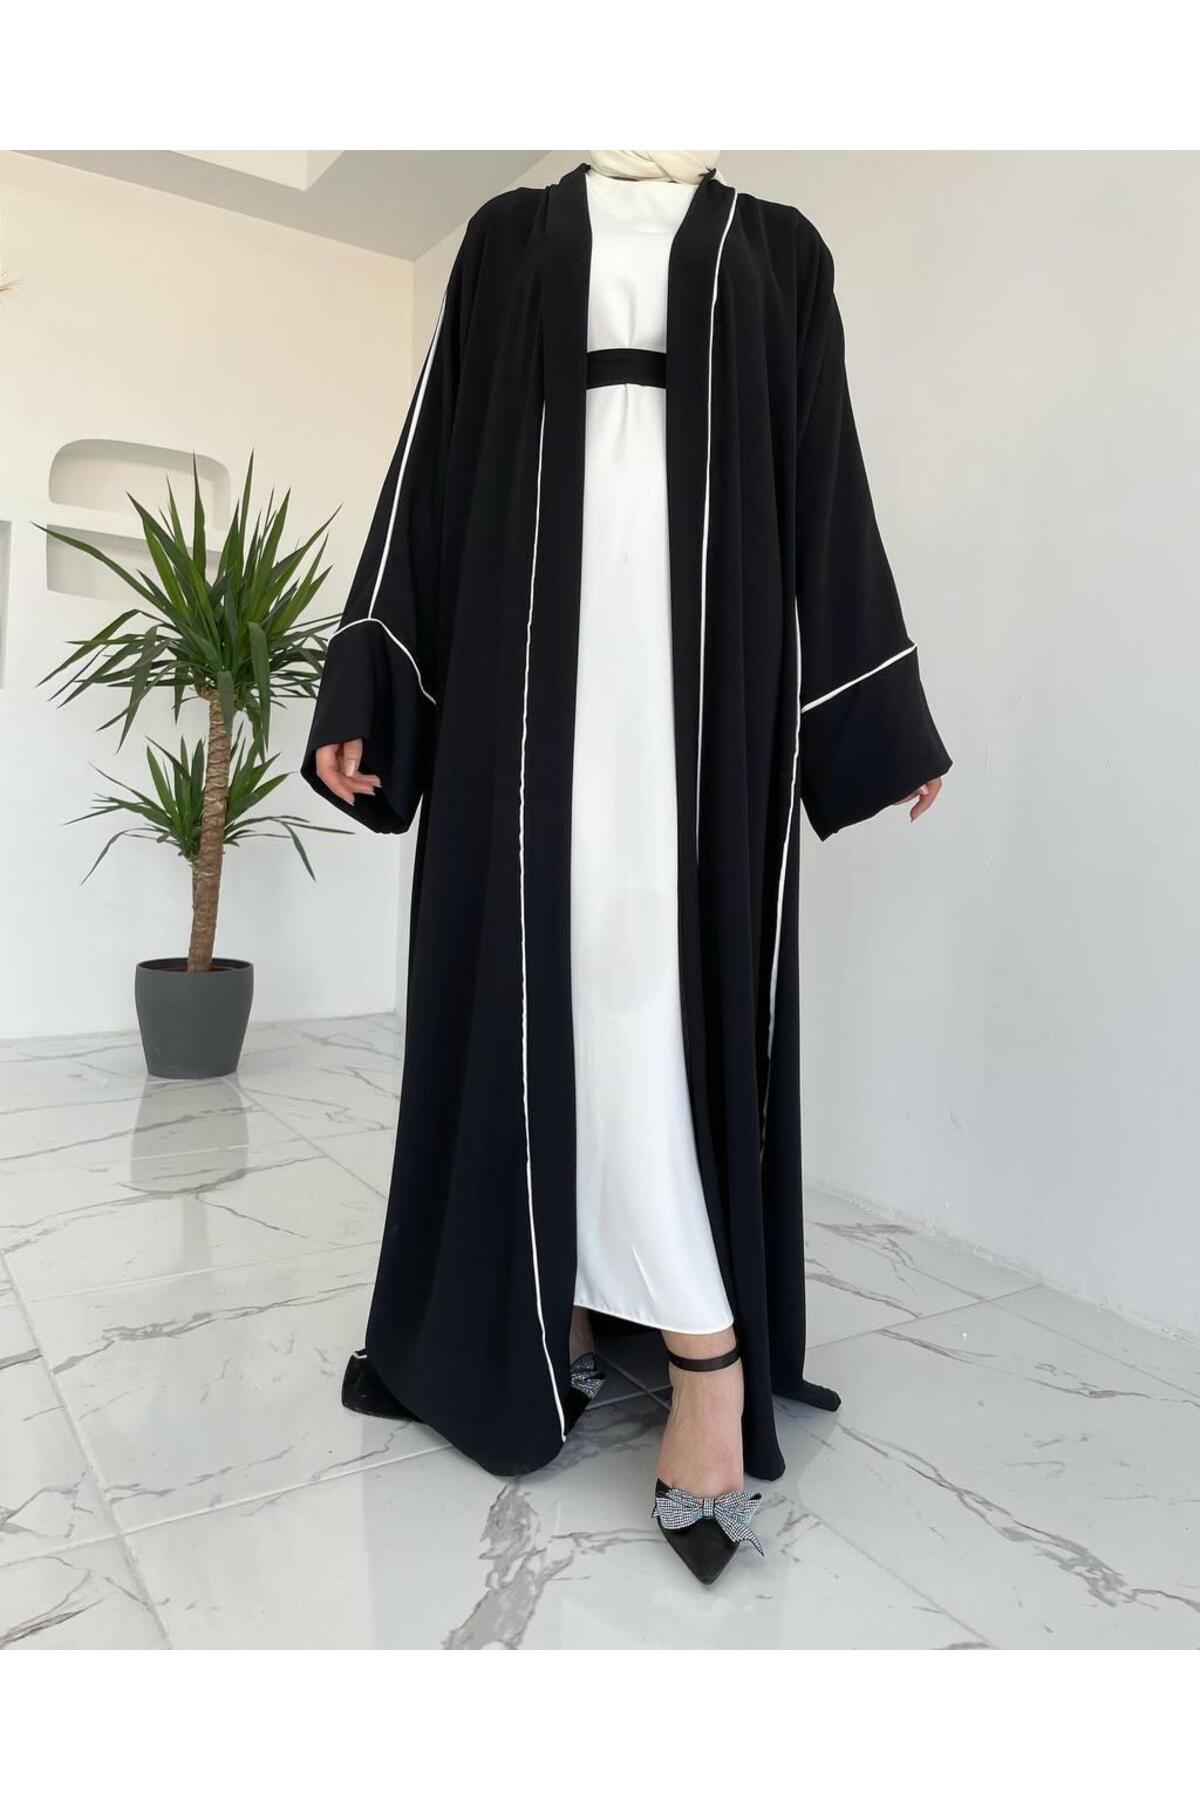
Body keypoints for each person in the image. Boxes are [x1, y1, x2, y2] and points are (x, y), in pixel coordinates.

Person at [304, 152, 949, 1586]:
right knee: (550, 981)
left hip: (700, 693)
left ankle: (699, 1344)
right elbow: (434, 462)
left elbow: (825, 482)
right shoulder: (506, 236)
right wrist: (375, 680)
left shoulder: (782, 249)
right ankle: (581, 1302)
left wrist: (874, 708)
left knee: (649, 984)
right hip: (523, 683)